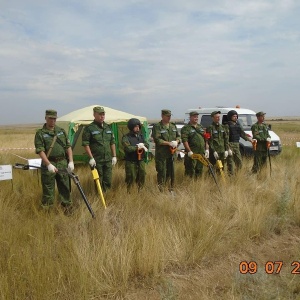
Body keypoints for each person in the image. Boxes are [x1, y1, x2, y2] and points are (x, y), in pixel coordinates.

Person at [34, 109, 74, 209]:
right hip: (49, 164)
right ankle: (47, 212)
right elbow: (40, 150)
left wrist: (71, 161)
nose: (52, 121)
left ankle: (67, 209)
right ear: (46, 118)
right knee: (48, 190)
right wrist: (48, 164)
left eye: (54, 119)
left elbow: (68, 147)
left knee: (65, 188)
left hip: (62, 163)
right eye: (50, 118)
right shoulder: (40, 133)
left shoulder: (61, 131)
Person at [82, 106, 117, 192]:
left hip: (108, 159)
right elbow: (86, 144)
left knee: (108, 180)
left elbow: (112, 142)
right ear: (94, 115)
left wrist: (114, 156)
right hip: (96, 160)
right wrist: (91, 158)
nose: (102, 116)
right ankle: (99, 199)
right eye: (100, 114)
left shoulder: (108, 127)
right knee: (98, 181)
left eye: (103, 114)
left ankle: (107, 197)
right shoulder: (89, 128)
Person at [151, 109, 181, 192]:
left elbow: (178, 137)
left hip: (172, 154)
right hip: (162, 156)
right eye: (167, 116)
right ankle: (161, 191)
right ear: (162, 116)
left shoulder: (173, 126)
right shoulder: (157, 126)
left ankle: (171, 190)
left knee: (171, 173)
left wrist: (177, 141)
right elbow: (157, 140)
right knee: (162, 173)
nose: (169, 117)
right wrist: (169, 143)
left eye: (170, 116)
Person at [122, 118, 149, 192]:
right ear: (131, 127)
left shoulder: (141, 136)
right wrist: (137, 147)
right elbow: (128, 148)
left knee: (142, 175)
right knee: (131, 177)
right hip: (131, 161)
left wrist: (143, 145)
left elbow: (147, 144)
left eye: (138, 126)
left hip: (141, 160)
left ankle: (141, 190)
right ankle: (129, 192)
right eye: (135, 126)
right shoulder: (126, 137)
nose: (137, 128)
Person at [180, 111, 209, 178]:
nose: (196, 118)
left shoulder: (200, 127)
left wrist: (207, 149)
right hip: (192, 154)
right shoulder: (186, 128)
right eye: (194, 117)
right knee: (190, 171)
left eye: (197, 117)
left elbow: (206, 139)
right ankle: (190, 185)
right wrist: (189, 151)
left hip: (201, 153)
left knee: (199, 170)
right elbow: (185, 141)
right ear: (190, 117)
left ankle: (197, 185)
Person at [225, 110, 252, 175]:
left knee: (239, 163)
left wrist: (250, 140)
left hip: (237, 145)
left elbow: (242, 134)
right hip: (230, 145)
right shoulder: (227, 126)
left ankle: (237, 175)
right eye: (234, 116)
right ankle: (231, 177)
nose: (235, 117)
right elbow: (225, 138)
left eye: (236, 116)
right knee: (230, 164)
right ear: (230, 117)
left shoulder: (238, 125)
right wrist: (228, 148)